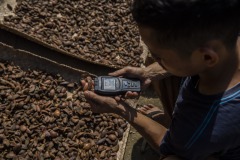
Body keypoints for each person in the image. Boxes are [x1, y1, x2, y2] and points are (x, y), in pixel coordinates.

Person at [84, 0, 240, 159]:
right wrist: (149, 73)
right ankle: (170, 121)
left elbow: (166, 145)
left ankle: (175, 131)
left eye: (160, 56)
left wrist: (121, 109)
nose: (155, 59)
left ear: (207, 57)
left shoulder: (204, 123)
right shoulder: (226, 36)